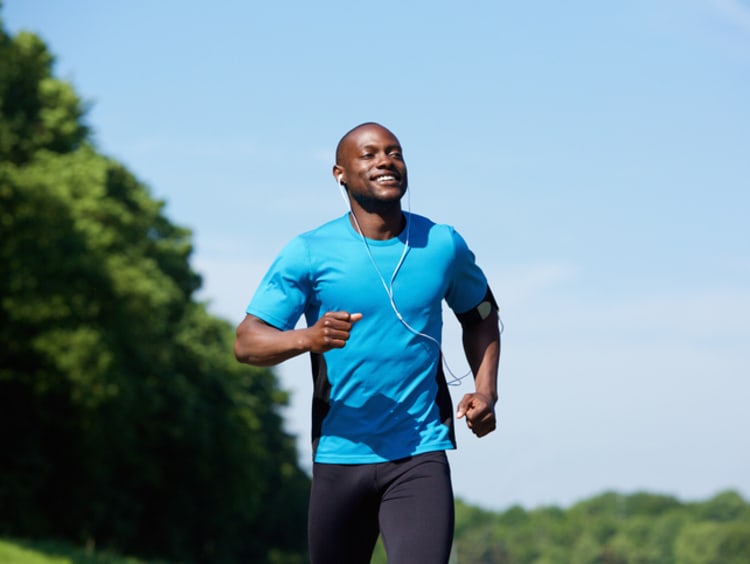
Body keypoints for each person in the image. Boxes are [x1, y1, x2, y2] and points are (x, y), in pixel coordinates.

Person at [234, 122, 500, 564]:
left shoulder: (441, 245)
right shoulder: (310, 251)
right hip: (340, 454)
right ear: (340, 174)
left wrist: (486, 389)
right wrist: (308, 337)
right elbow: (247, 342)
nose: (385, 162)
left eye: (394, 152)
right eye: (370, 154)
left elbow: (482, 319)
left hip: (419, 452)